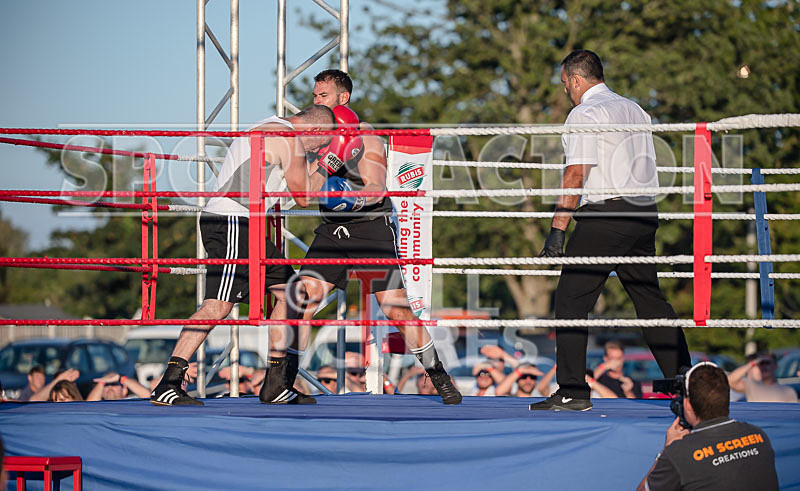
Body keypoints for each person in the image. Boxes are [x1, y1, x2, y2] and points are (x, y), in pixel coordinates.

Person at [530, 50, 691, 412]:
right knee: (650, 300)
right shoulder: (636, 110)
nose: (565, 93)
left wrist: (558, 228)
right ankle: (685, 379)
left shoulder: (585, 112)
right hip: (644, 212)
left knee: (572, 300)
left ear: (574, 80)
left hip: (606, 214)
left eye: (564, 85)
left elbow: (576, 172)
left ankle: (573, 390)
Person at [294, 69, 462, 405]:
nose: (315, 101)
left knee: (396, 310)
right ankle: (284, 379)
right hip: (332, 232)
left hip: (369, 227)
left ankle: (438, 374)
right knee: (302, 302)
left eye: (322, 96)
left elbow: (375, 187)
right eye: (314, 96)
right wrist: (323, 163)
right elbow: (305, 194)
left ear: (343, 98)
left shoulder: (367, 138)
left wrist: (347, 181)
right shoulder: (315, 139)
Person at [150, 104, 335, 406]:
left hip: (245, 224)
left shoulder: (272, 126)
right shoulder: (287, 138)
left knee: (292, 294)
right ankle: (168, 383)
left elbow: (291, 189)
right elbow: (303, 195)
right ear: (315, 131)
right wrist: (331, 161)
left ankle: (276, 384)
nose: (319, 149)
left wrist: (320, 159)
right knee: (217, 306)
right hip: (232, 221)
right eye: (322, 142)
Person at [637, 362, 779, 490]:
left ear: (687, 405)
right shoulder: (758, 436)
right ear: (726, 399)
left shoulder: (678, 453)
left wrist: (665, 450)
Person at [728, 352, 797, 403]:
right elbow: (730, 380)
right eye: (760, 363)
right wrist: (753, 362)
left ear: (776, 366)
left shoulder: (788, 391)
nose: (764, 366)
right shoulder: (751, 385)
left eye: (767, 363)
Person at [86, 372, 151, 401]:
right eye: (106, 385)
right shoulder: (98, 405)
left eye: (114, 384)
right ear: (102, 393)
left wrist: (120, 378)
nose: (110, 387)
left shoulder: (131, 401)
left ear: (124, 390)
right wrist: (102, 381)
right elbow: (89, 405)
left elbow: (147, 396)